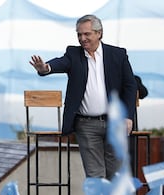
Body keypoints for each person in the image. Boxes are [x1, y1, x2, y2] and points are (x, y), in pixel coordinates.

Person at [29, 14, 137, 180]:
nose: (82, 38)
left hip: (115, 123)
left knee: (115, 175)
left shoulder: (118, 55)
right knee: (95, 176)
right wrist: (45, 68)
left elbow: (130, 86)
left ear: (99, 33)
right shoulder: (73, 54)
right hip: (86, 125)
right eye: (79, 34)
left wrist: (128, 117)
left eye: (87, 34)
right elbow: (59, 63)